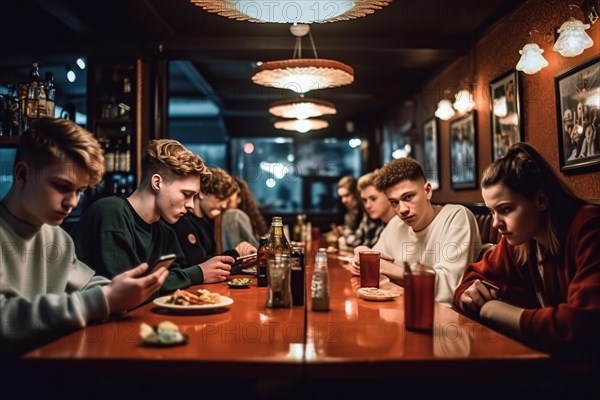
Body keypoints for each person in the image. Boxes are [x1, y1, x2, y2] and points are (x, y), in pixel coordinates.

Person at [0, 118, 168, 356]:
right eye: (61, 186)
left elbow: (87, 284)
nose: (73, 202)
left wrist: (122, 290)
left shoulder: (58, 238)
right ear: (22, 175)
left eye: (79, 191)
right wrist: (106, 299)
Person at [453, 142, 600, 361]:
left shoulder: (590, 228)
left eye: (505, 210)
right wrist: (469, 295)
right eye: (491, 212)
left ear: (540, 200)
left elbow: (576, 327)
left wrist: (492, 310)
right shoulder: (519, 240)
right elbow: (468, 284)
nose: (495, 224)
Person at [73, 139, 232, 292]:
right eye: (186, 194)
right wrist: (197, 274)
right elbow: (126, 291)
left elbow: (178, 277)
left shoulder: (164, 231)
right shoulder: (110, 213)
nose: (191, 205)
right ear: (157, 183)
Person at [350, 157, 481, 306]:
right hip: (405, 310)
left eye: (408, 197)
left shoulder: (456, 217)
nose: (403, 210)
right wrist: (360, 258)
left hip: (446, 318)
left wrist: (389, 269)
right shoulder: (396, 225)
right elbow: (374, 261)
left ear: (427, 191)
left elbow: (449, 290)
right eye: (394, 202)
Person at [168, 167, 257, 267]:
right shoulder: (183, 221)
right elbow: (198, 263)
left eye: (227, 201)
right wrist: (236, 253)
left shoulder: (209, 221)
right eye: (220, 198)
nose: (224, 205)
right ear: (203, 193)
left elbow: (211, 256)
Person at [346, 169, 396, 248]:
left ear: (389, 196)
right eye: (364, 200)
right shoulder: (370, 219)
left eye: (373, 199)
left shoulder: (402, 222)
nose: (367, 205)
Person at [218, 176, 268, 250]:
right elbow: (255, 250)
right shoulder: (233, 215)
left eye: (229, 193)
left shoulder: (236, 215)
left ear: (239, 197)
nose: (224, 197)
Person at [324, 175, 364, 247]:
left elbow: (359, 242)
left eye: (347, 195)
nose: (343, 200)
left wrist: (344, 234)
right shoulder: (349, 215)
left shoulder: (368, 212)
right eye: (341, 197)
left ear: (356, 193)